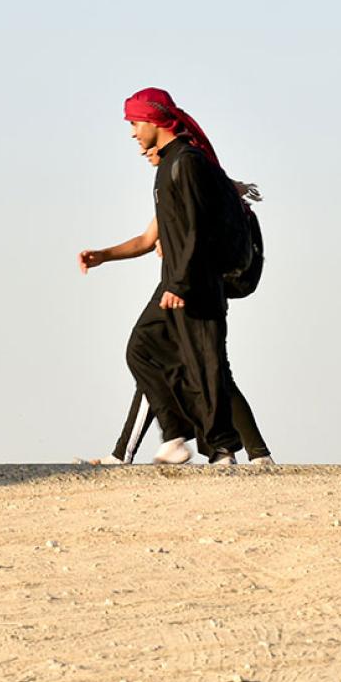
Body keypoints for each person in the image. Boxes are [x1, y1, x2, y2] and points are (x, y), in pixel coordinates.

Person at [80, 145, 273, 466]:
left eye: (146, 136)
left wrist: (178, 268)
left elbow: (195, 234)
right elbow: (146, 239)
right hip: (189, 284)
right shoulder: (173, 184)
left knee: (151, 355)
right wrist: (104, 255)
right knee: (206, 368)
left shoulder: (191, 181)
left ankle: (141, 448)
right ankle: (253, 453)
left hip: (190, 286)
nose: (142, 146)